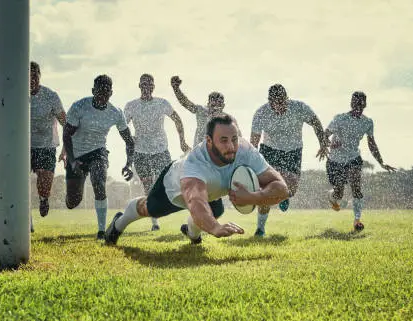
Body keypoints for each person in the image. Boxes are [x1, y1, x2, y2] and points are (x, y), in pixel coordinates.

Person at [104, 114, 289, 246]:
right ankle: (118, 222)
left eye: (234, 138)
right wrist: (215, 228)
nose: (231, 146)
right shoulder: (195, 164)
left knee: (214, 210)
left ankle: (192, 234)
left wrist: (253, 198)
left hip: (209, 193)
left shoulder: (246, 151)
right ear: (209, 141)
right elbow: (195, 201)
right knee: (150, 209)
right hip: (173, 187)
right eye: (223, 140)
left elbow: (282, 189)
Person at [62, 74, 135, 239]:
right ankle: (69, 197)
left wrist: (129, 164)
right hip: (76, 154)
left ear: (111, 93)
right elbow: (66, 135)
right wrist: (72, 161)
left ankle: (101, 231)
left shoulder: (116, 113)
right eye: (99, 92)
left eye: (106, 92)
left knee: (99, 181)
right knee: (73, 202)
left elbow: (129, 141)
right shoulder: (79, 106)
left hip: (98, 152)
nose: (102, 96)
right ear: (93, 91)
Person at [250, 84, 328, 237]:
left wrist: (323, 143)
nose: (280, 107)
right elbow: (253, 142)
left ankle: (284, 195)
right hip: (269, 150)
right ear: (270, 102)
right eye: (276, 104)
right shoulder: (261, 113)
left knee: (291, 189)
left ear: (287, 99)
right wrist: (250, 163)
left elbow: (316, 123)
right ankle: (260, 229)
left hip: (293, 151)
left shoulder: (299, 107)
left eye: (283, 102)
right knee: (266, 190)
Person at [124, 73, 190, 231]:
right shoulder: (131, 106)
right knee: (148, 187)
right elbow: (123, 127)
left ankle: (188, 209)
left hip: (160, 150)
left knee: (167, 182)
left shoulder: (162, 103)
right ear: (139, 86)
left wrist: (182, 141)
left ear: (153, 87)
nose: (147, 87)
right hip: (140, 152)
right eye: (144, 84)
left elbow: (177, 119)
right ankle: (155, 222)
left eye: (150, 84)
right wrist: (129, 141)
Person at [325, 91, 396, 232]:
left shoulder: (367, 122)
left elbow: (371, 144)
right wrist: (328, 145)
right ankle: (332, 196)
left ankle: (357, 220)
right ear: (351, 103)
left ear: (365, 104)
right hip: (335, 160)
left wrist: (381, 162)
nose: (357, 105)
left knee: (356, 187)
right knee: (339, 192)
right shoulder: (340, 118)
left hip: (353, 158)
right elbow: (325, 134)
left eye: (360, 102)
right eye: (355, 102)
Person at [29, 61, 66, 221]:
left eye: (34, 76)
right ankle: (24, 218)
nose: (31, 79)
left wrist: (66, 149)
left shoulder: (51, 96)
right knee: (19, 183)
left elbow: (66, 124)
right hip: (24, 146)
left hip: (47, 146)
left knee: (44, 184)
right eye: (28, 76)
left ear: (39, 76)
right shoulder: (17, 95)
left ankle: (44, 199)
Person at [170, 75, 231, 146]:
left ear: (223, 106)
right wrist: (176, 89)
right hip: (200, 152)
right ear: (208, 104)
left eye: (219, 104)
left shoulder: (227, 119)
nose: (216, 108)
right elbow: (185, 103)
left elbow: (237, 138)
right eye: (213, 104)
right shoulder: (201, 111)